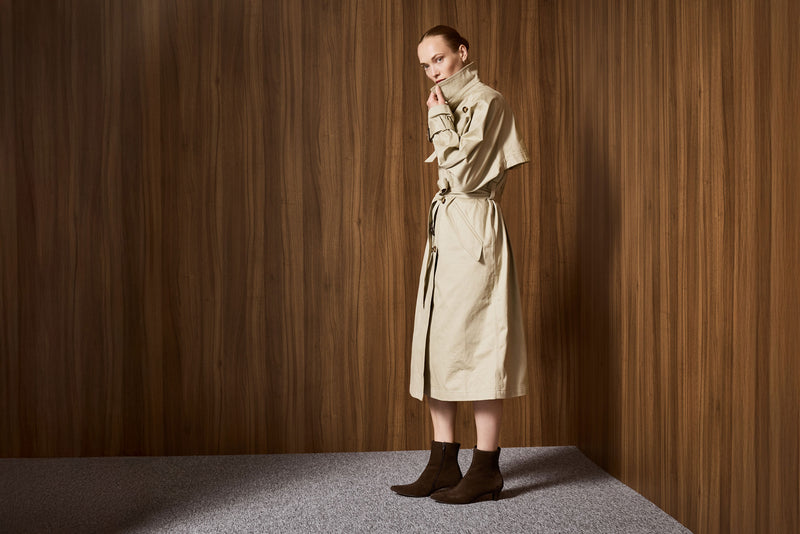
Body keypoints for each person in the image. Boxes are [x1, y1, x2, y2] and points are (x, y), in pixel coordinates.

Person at [390, 25, 530, 504]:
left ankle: (486, 467)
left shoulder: (487, 101)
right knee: (438, 342)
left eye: (439, 59)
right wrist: (441, 115)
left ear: (462, 53)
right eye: (425, 65)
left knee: (480, 346)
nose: (433, 71)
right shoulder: (448, 105)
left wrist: (436, 119)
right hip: (447, 228)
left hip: (472, 227)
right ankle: (443, 461)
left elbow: (465, 174)